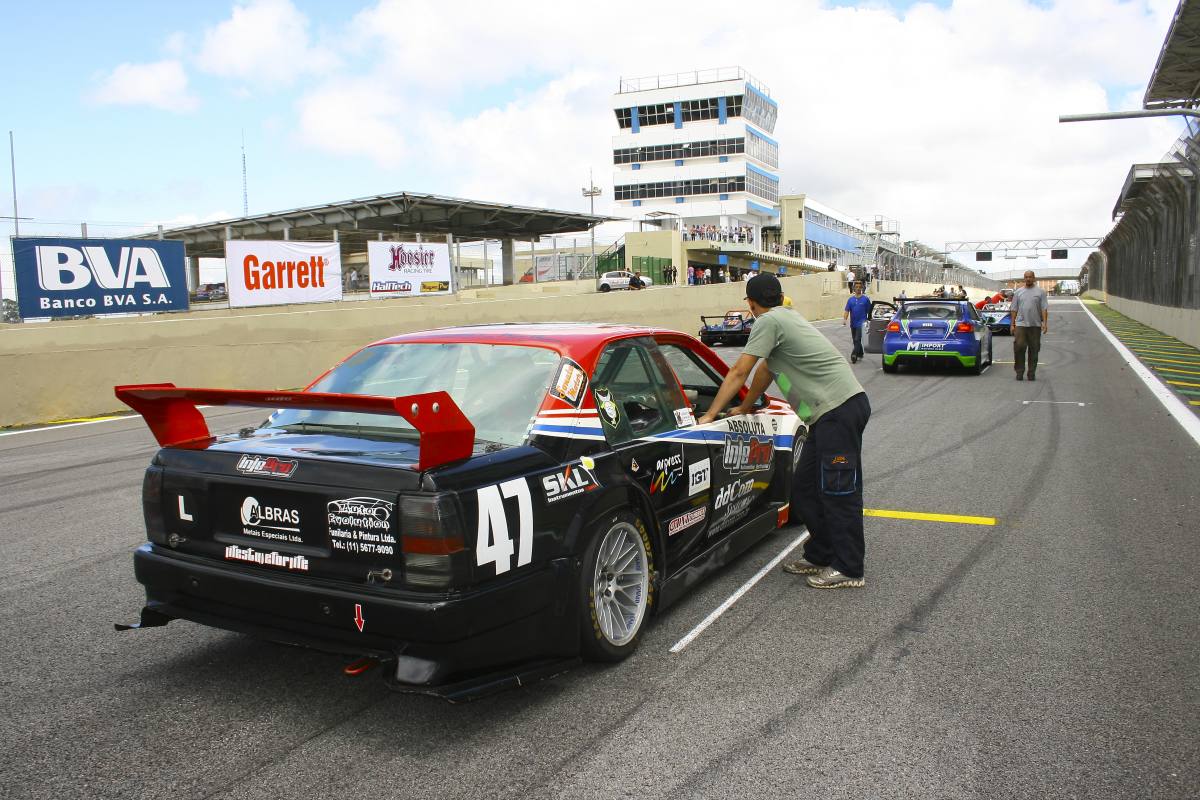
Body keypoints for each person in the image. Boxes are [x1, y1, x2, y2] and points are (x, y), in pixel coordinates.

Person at [698, 274, 870, 589]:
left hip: (839, 410)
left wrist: (709, 414)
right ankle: (820, 553)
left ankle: (849, 567)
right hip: (827, 415)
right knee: (803, 488)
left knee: (838, 491)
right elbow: (765, 371)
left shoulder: (768, 321)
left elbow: (740, 371)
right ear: (779, 296)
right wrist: (745, 406)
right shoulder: (785, 317)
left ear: (750, 303)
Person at [1011, 270, 1048, 381]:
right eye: (1026, 277)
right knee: (1019, 347)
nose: (1028, 279)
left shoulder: (1040, 292)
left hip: (1035, 325)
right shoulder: (1018, 292)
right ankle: (1019, 371)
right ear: (1024, 278)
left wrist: (1045, 323)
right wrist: (1012, 324)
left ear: (1034, 278)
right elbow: (1013, 309)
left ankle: (1031, 373)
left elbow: (1044, 308)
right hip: (1021, 324)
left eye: (1030, 277)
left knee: (1034, 349)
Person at [843, 281, 871, 363]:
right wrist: (844, 319)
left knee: (857, 339)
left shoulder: (865, 299)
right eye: (857, 287)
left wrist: (869, 321)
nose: (858, 288)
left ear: (862, 288)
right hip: (853, 323)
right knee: (855, 340)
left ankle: (854, 354)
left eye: (860, 287)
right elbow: (847, 310)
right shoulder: (850, 300)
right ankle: (861, 353)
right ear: (854, 288)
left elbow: (869, 311)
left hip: (862, 323)